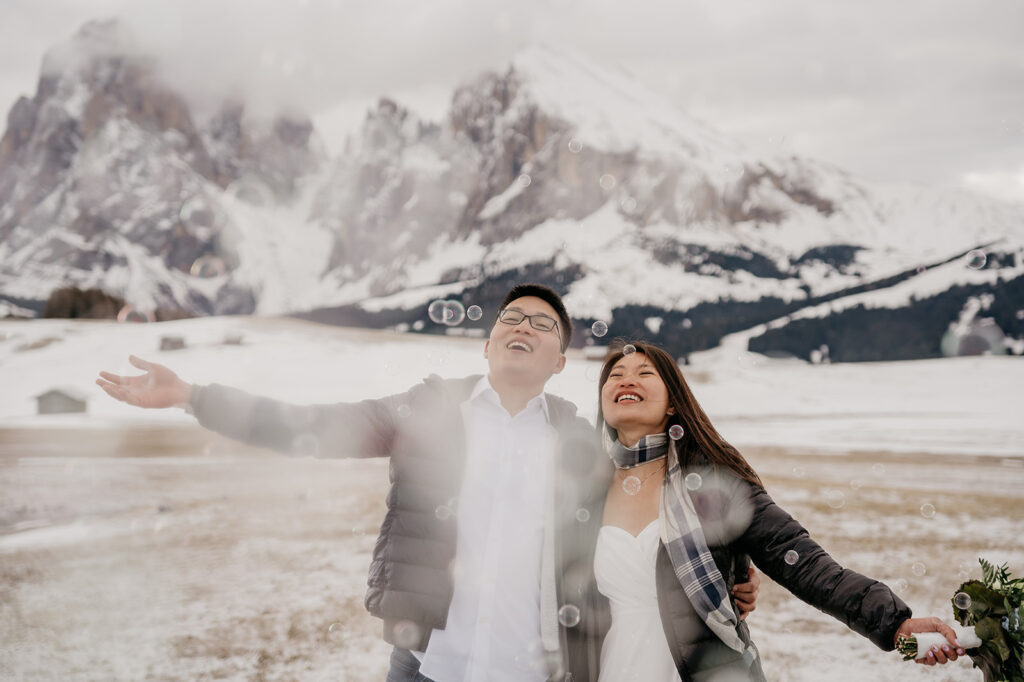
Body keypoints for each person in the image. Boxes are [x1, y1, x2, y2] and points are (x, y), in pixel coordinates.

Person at [96, 284, 760, 682]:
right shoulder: (425, 412)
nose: (522, 327)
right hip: (427, 667)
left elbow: (653, 506)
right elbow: (309, 423)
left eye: (542, 325)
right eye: (511, 319)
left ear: (560, 361)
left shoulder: (579, 445)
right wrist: (192, 394)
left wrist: (734, 565)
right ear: (487, 345)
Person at [589, 340, 964, 681]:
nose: (626, 381)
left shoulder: (714, 480)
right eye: (615, 375)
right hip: (612, 666)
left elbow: (802, 560)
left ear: (673, 401)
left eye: (644, 373)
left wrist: (894, 622)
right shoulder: (583, 492)